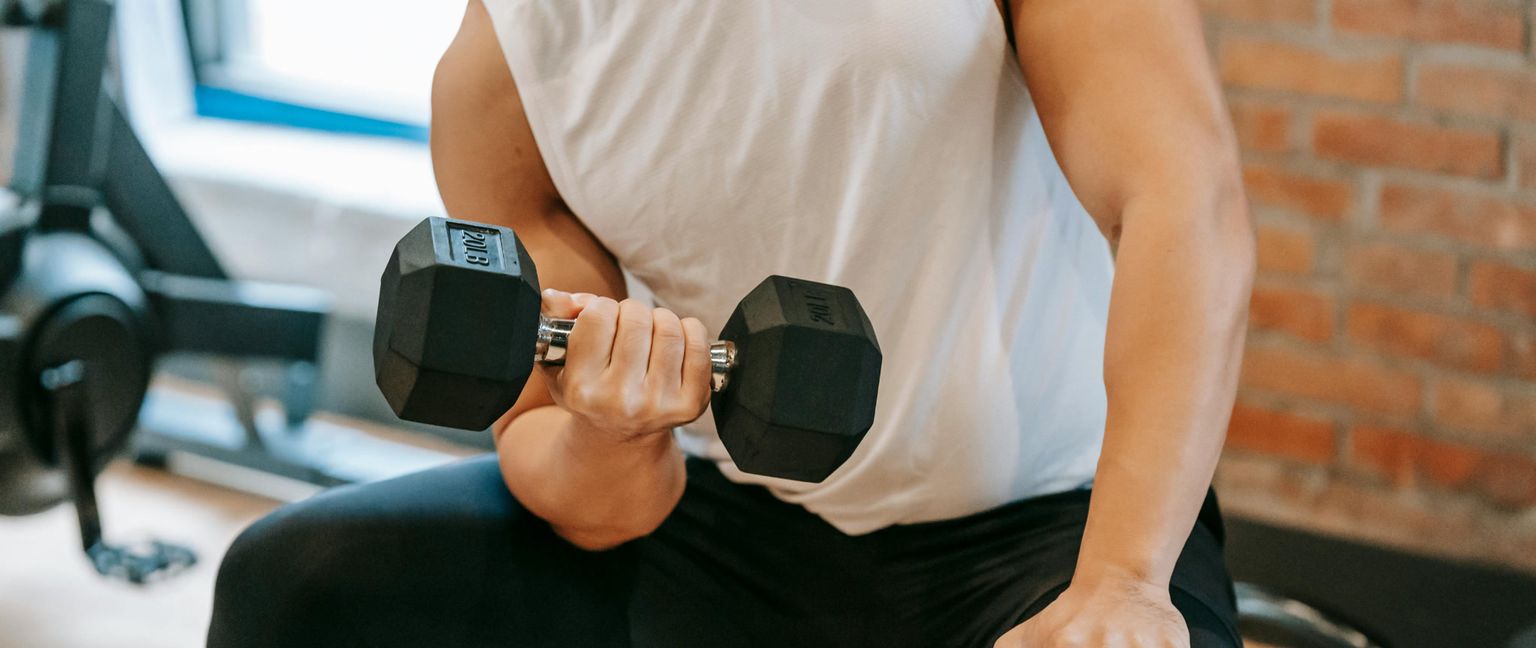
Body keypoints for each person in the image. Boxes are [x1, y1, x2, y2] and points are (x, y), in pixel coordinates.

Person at [207, 0, 1254, 646]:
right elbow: (590, 495)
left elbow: (1183, 204)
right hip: (729, 518)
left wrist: (1123, 580)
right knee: (301, 584)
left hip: (1054, 527)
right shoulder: (511, 59)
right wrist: (612, 426)